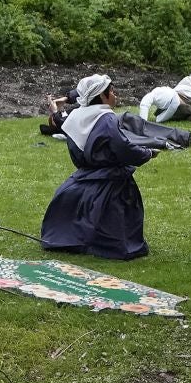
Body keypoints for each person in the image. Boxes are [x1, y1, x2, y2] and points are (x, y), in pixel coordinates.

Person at [41, 75, 159, 261]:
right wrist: (147, 153)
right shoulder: (106, 119)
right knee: (116, 218)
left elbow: (60, 121)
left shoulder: (77, 116)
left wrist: (56, 110)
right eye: (111, 91)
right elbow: (122, 147)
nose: (115, 94)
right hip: (112, 179)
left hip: (83, 177)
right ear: (101, 96)